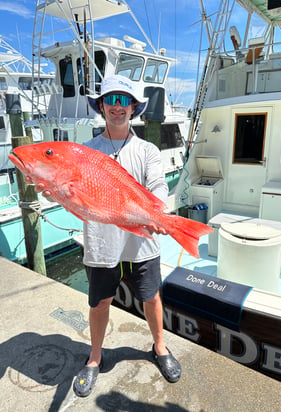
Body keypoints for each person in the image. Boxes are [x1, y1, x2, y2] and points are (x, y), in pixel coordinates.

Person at [72, 74, 181, 397]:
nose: (117, 107)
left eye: (124, 101)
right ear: (101, 106)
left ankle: (160, 347)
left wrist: (156, 211)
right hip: (102, 244)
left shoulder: (147, 149)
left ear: (133, 108)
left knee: (151, 297)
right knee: (100, 302)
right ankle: (95, 357)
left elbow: (158, 184)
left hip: (142, 240)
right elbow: (74, 194)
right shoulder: (86, 151)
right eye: (111, 100)